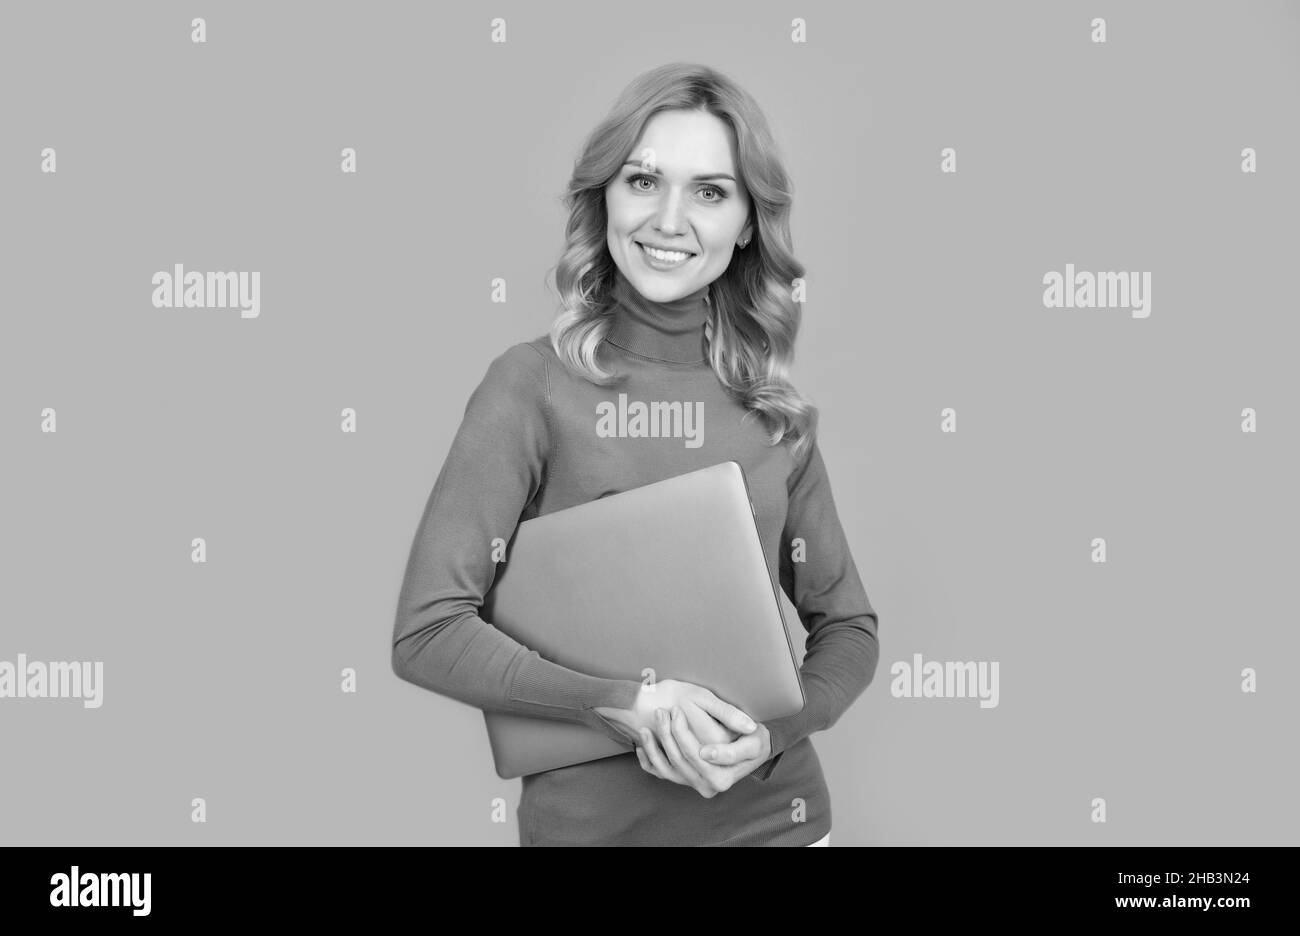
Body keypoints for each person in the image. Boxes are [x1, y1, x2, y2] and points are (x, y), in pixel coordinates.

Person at [392, 62, 879, 846]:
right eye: (644, 180)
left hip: (779, 826)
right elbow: (427, 631)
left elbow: (849, 628)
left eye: (711, 192)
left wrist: (775, 736)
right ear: (606, 198)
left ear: (749, 223)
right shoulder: (531, 388)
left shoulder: (774, 416)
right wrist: (627, 703)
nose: (669, 219)